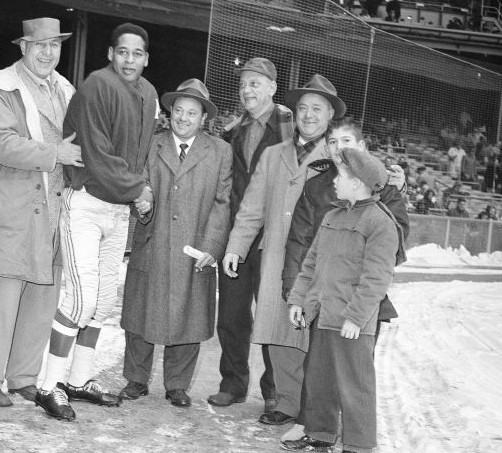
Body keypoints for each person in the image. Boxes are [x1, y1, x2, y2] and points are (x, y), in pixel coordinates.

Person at [34, 22, 158, 421]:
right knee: (80, 297)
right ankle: (47, 385)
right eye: (123, 51)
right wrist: (139, 190)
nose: (129, 59)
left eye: (137, 53)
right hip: (86, 200)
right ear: (110, 53)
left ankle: (79, 379)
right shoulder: (96, 86)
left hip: (117, 208)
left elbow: (138, 156)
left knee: (103, 301)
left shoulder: (149, 93)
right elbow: (99, 155)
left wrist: (141, 190)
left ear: (146, 58)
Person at [0, 18, 81, 407]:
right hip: (15, 205)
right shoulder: (2, 86)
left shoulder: (66, 89)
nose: (48, 52)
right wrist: (55, 155)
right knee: (1, 295)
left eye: (55, 45)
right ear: (23, 47)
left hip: (54, 208)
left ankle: (23, 377)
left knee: (42, 296)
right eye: (40, 45)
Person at [221, 73, 341, 426]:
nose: (308, 115)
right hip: (275, 255)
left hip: (319, 259)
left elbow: (374, 180)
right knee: (279, 331)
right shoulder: (274, 155)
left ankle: (315, 409)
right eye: (302, 107)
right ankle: (286, 403)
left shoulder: (341, 154)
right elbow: (252, 208)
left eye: (317, 109)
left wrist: (393, 178)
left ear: (330, 115)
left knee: (313, 337)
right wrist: (236, 247)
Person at [119, 79, 231, 407]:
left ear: (203, 118)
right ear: (170, 113)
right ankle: (136, 379)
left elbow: (223, 202)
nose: (183, 118)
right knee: (141, 314)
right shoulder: (150, 145)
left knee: (189, 317)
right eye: (178, 110)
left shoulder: (220, 151)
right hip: (153, 240)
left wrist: (212, 245)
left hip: (194, 248)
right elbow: (137, 184)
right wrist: (143, 202)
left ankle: (177, 385)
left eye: (191, 113)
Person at [285, 148, 400, 453]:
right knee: (319, 378)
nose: (335, 181)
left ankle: (359, 448)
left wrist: (356, 317)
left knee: (355, 384)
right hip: (323, 314)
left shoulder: (380, 223)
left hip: (351, 321)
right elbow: (310, 264)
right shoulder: (333, 216)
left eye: (342, 176)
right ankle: (320, 434)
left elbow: (376, 278)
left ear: (358, 183)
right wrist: (298, 300)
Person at [208, 57, 293, 411]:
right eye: (244, 84)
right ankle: (233, 382)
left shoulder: (290, 127)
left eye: (255, 83)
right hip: (238, 237)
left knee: (272, 314)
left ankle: (275, 390)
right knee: (231, 314)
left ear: (272, 88)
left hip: (274, 238)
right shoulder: (233, 131)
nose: (247, 90)